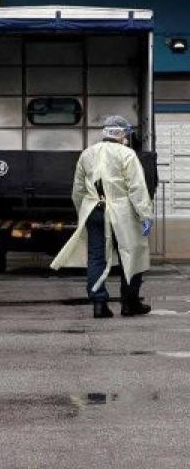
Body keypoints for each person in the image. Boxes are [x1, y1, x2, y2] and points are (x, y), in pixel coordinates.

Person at [51, 115, 154, 318]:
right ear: (122, 133)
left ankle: (99, 304)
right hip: (123, 212)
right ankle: (129, 303)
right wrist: (145, 215)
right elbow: (137, 188)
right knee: (131, 253)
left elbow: (78, 190)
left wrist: (84, 211)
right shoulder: (127, 154)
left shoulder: (87, 154)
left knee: (97, 257)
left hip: (94, 210)